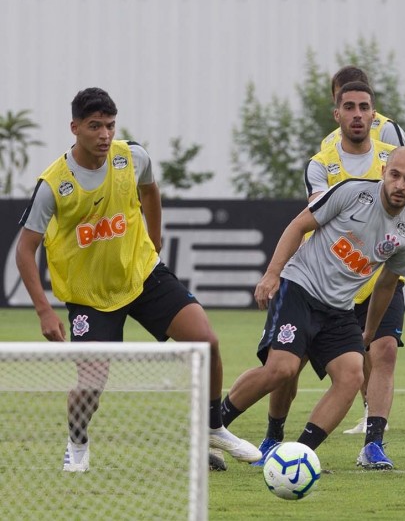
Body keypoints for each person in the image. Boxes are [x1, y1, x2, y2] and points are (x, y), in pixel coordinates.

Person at [14, 87, 261, 472]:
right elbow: (24, 249)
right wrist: (45, 311)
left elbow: (151, 192)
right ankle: (77, 441)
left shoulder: (132, 157)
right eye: (95, 126)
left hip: (143, 273)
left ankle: (214, 426)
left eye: (110, 126)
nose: (104, 135)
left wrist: (154, 242)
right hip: (89, 295)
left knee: (207, 342)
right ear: (74, 127)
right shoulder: (53, 184)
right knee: (92, 384)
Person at [255, 78, 405, 470]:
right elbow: (315, 216)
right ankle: (273, 437)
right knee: (288, 367)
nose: (358, 114)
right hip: (328, 279)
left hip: (379, 275)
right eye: (349, 106)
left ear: (373, 110)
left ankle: (373, 444)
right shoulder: (323, 161)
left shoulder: (392, 154)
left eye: (364, 107)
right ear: (336, 110)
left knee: (382, 352)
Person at [218, 145, 405, 468]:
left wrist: (370, 331)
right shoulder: (352, 192)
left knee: (350, 375)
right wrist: (272, 274)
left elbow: (387, 284)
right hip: (300, 289)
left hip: (339, 308)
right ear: (384, 172)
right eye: (395, 175)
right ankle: (209, 427)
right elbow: (298, 226)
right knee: (282, 369)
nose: (400, 185)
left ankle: (297, 456)